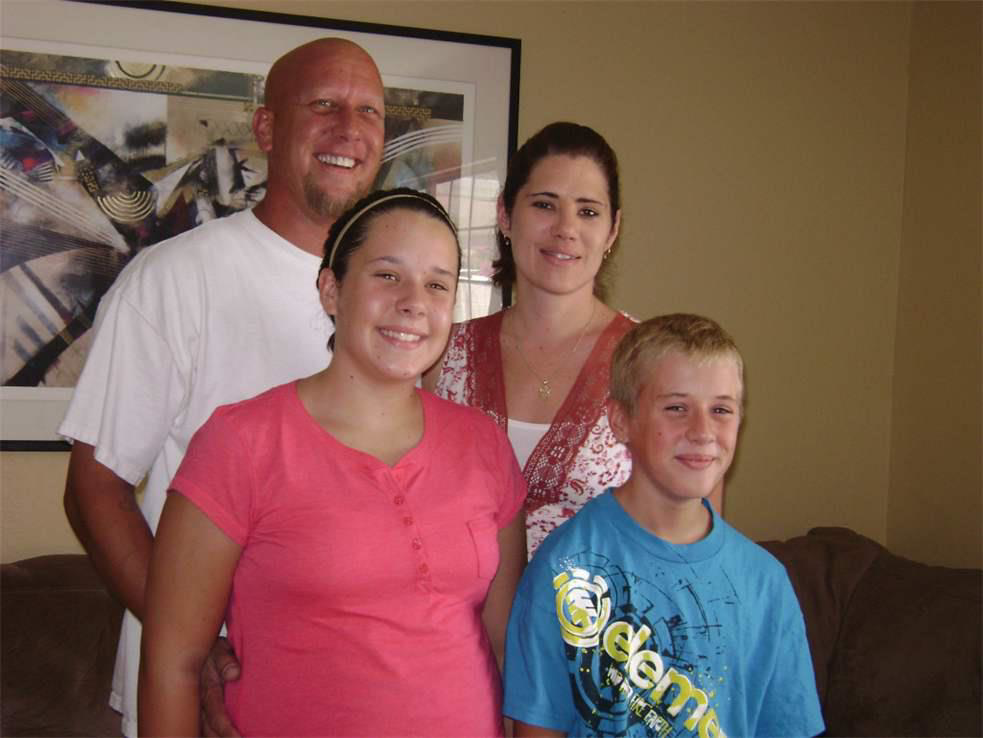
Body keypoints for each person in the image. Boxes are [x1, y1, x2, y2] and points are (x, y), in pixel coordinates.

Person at [59, 38, 386, 737]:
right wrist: (195, 647)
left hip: (344, 684)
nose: (348, 129)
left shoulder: (395, 300)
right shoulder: (174, 279)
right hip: (205, 690)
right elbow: (95, 487)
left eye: (369, 112)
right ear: (267, 128)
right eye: (323, 105)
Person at [138, 189, 527, 737]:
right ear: (331, 289)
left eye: (438, 285)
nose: (414, 302)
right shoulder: (241, 443)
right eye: (388, 275)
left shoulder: (483, 444)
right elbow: (173, 663)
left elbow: (509, 647)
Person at [502, 314, 825, 737]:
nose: (702, 432)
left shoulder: (766, 583)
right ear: (621, 420)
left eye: (721, 410)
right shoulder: (566, 567)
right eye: (676, 408)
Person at [426, 122, 723, 558]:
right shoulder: (440, 356)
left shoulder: (660, 365)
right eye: (545, 205)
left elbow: (697, 553)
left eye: (588, 212)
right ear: (505, 214)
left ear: (613, 229)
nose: (566, 228)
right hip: (459, 605)